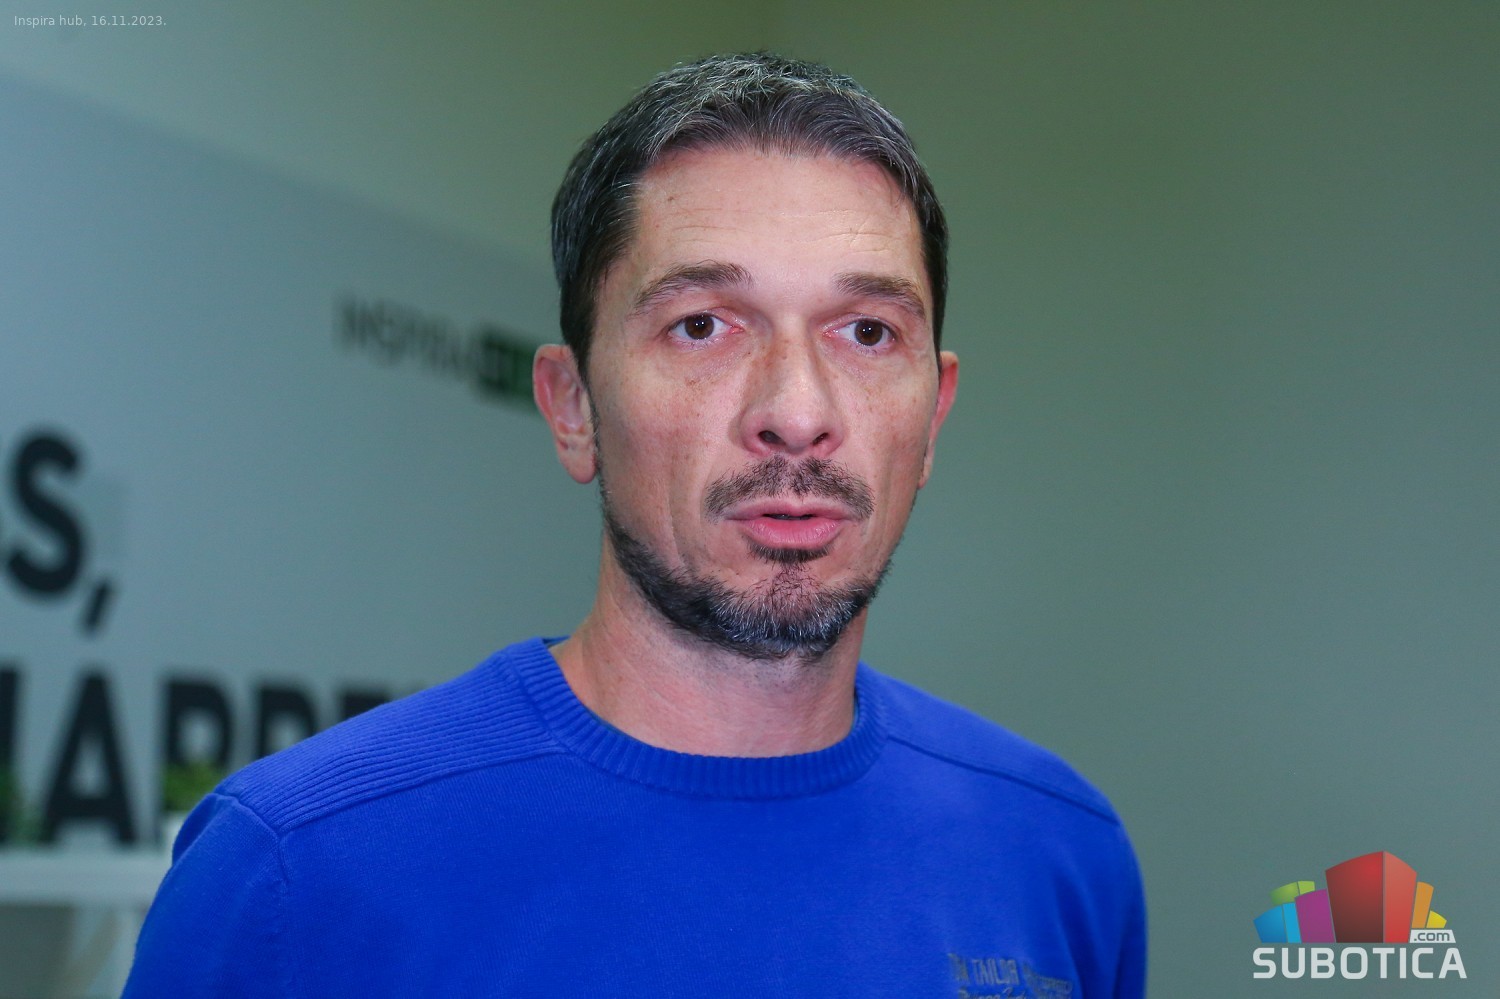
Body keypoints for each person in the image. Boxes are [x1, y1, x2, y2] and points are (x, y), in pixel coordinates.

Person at [124, 53, 1145, 997]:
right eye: (702, 325)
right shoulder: (296, 873)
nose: (798, 411)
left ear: (933, 418)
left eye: (869, 332)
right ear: (573, 408)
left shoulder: (1059, 854)